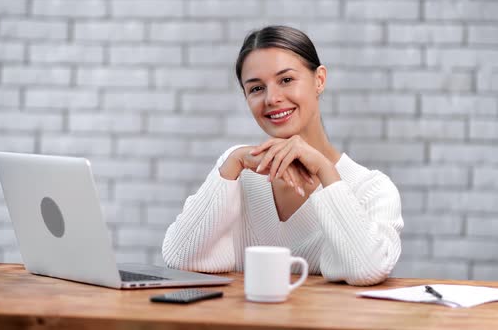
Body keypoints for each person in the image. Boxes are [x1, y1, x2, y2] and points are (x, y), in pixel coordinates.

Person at [161, 25, 403, 286]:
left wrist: (326, 172)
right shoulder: (238, 174)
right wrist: (234, 161)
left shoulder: (372, 188)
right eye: (256, 89)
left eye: (286, 80)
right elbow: (179, 256)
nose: (272, 98)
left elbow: (367, 270)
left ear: (319, 80)